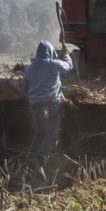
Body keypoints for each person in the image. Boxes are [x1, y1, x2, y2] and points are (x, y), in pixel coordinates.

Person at [21, 40, 73, 171]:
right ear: (50, 52)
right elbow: (68, 67)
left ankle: (32, 161)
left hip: (35, 105)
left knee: (40, 132)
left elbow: (24, 87)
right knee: (52, 135)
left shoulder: (29, 68)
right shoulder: (53, 64)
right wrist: (66, 54)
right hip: (50, 105)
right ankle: (40, 160)